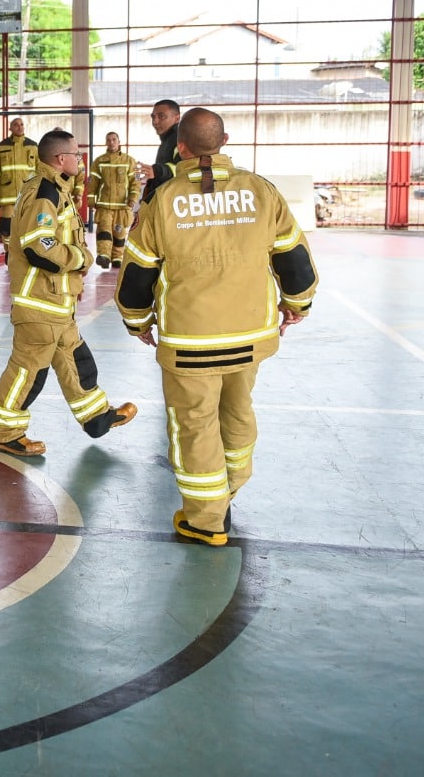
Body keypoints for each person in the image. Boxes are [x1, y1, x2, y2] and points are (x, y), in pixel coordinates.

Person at [115, 107, 318, 546]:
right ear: (224, 142)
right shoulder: (262, 193)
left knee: (194, 424)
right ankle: (231, 484)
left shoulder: (163, 201)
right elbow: (295, 260)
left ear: (181, 147)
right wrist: (296, 305)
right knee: (238, 410)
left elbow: (136, 277)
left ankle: (206, 520)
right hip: (249, 338)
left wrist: (137, 322)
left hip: (189, 343)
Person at [0, 130, 137, 456]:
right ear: (60, 159)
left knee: (75, 358)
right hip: (40, 302)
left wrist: (72, 282)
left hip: (56, 300)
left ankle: (96, 416)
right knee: (28, 371)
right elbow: (38, 246)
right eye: (76, 153)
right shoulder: (44, 193)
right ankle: (5, 433)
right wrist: (79, 259)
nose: (80, 159)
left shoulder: (54, 189)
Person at [87, 131, 141, 269]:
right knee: (104, 231)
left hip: (122, 207)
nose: (111, 142)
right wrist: (91, 200)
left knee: (119, 233)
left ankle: (117, 257)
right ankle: (103, 256)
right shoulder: (99, 161)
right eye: (108, 140)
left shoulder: (129, 161)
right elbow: (93, 183)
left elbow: (135, 182)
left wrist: (133, 198)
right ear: (106, 142)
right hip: (104, 205)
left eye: (114, 139)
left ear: (119, 141)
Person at [0, 116, 38, 242]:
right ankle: (8, 253)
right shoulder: (1, 148)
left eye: (22, 124)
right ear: (10, 128)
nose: (20, 127)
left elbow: (41, 171)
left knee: (28, 228)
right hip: (7, 199)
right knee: (6, 229)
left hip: (28, 197)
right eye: (16, 125)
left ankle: (24, 255)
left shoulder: (33, 146)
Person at [139, 99, 181, 206]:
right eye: (153, 117)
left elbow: (184, 167)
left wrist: (158, 171)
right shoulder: (168, 140)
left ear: (177, 118)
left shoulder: (180, 140)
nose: (155, 122)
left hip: (174, 204)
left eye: (161, 116)